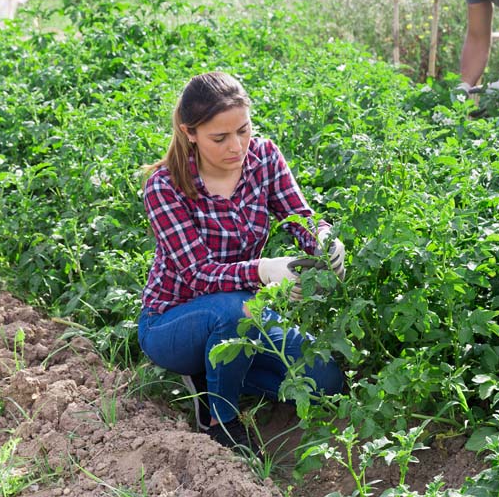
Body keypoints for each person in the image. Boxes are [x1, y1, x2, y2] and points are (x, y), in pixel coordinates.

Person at [138, 71, 345, 456]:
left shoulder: (264, 157)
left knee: (326, 382)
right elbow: (198, 275)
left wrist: (325, 240)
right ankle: (221, 420)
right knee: (236, 311)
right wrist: (263, 270)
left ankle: (214, 377)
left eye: (243, 131)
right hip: (173, 322)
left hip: (244, 312)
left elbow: (299, 216)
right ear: (190, 133)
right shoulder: (164, 186)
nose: (237, 146)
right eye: (220, 138)